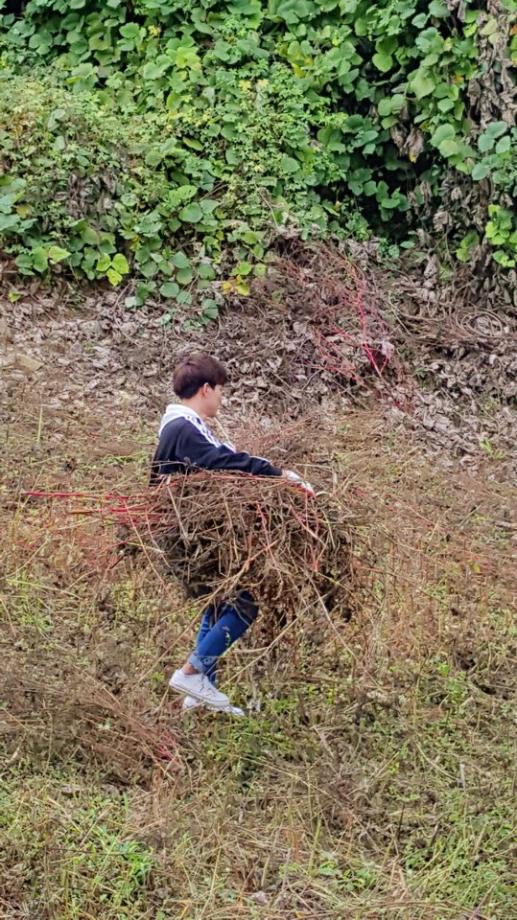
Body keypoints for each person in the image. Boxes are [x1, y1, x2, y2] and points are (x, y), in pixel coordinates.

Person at [150, 352, 313, 717]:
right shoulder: (182, 428)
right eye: (221, 390)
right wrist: (277, 474)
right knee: (243, 604)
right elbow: (222, 463)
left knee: (220, 602)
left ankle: (199, 696)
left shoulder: (185, 427)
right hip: (186, 538)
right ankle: (192, 674)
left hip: (190, 536)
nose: (222, 398)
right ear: (206, 389)